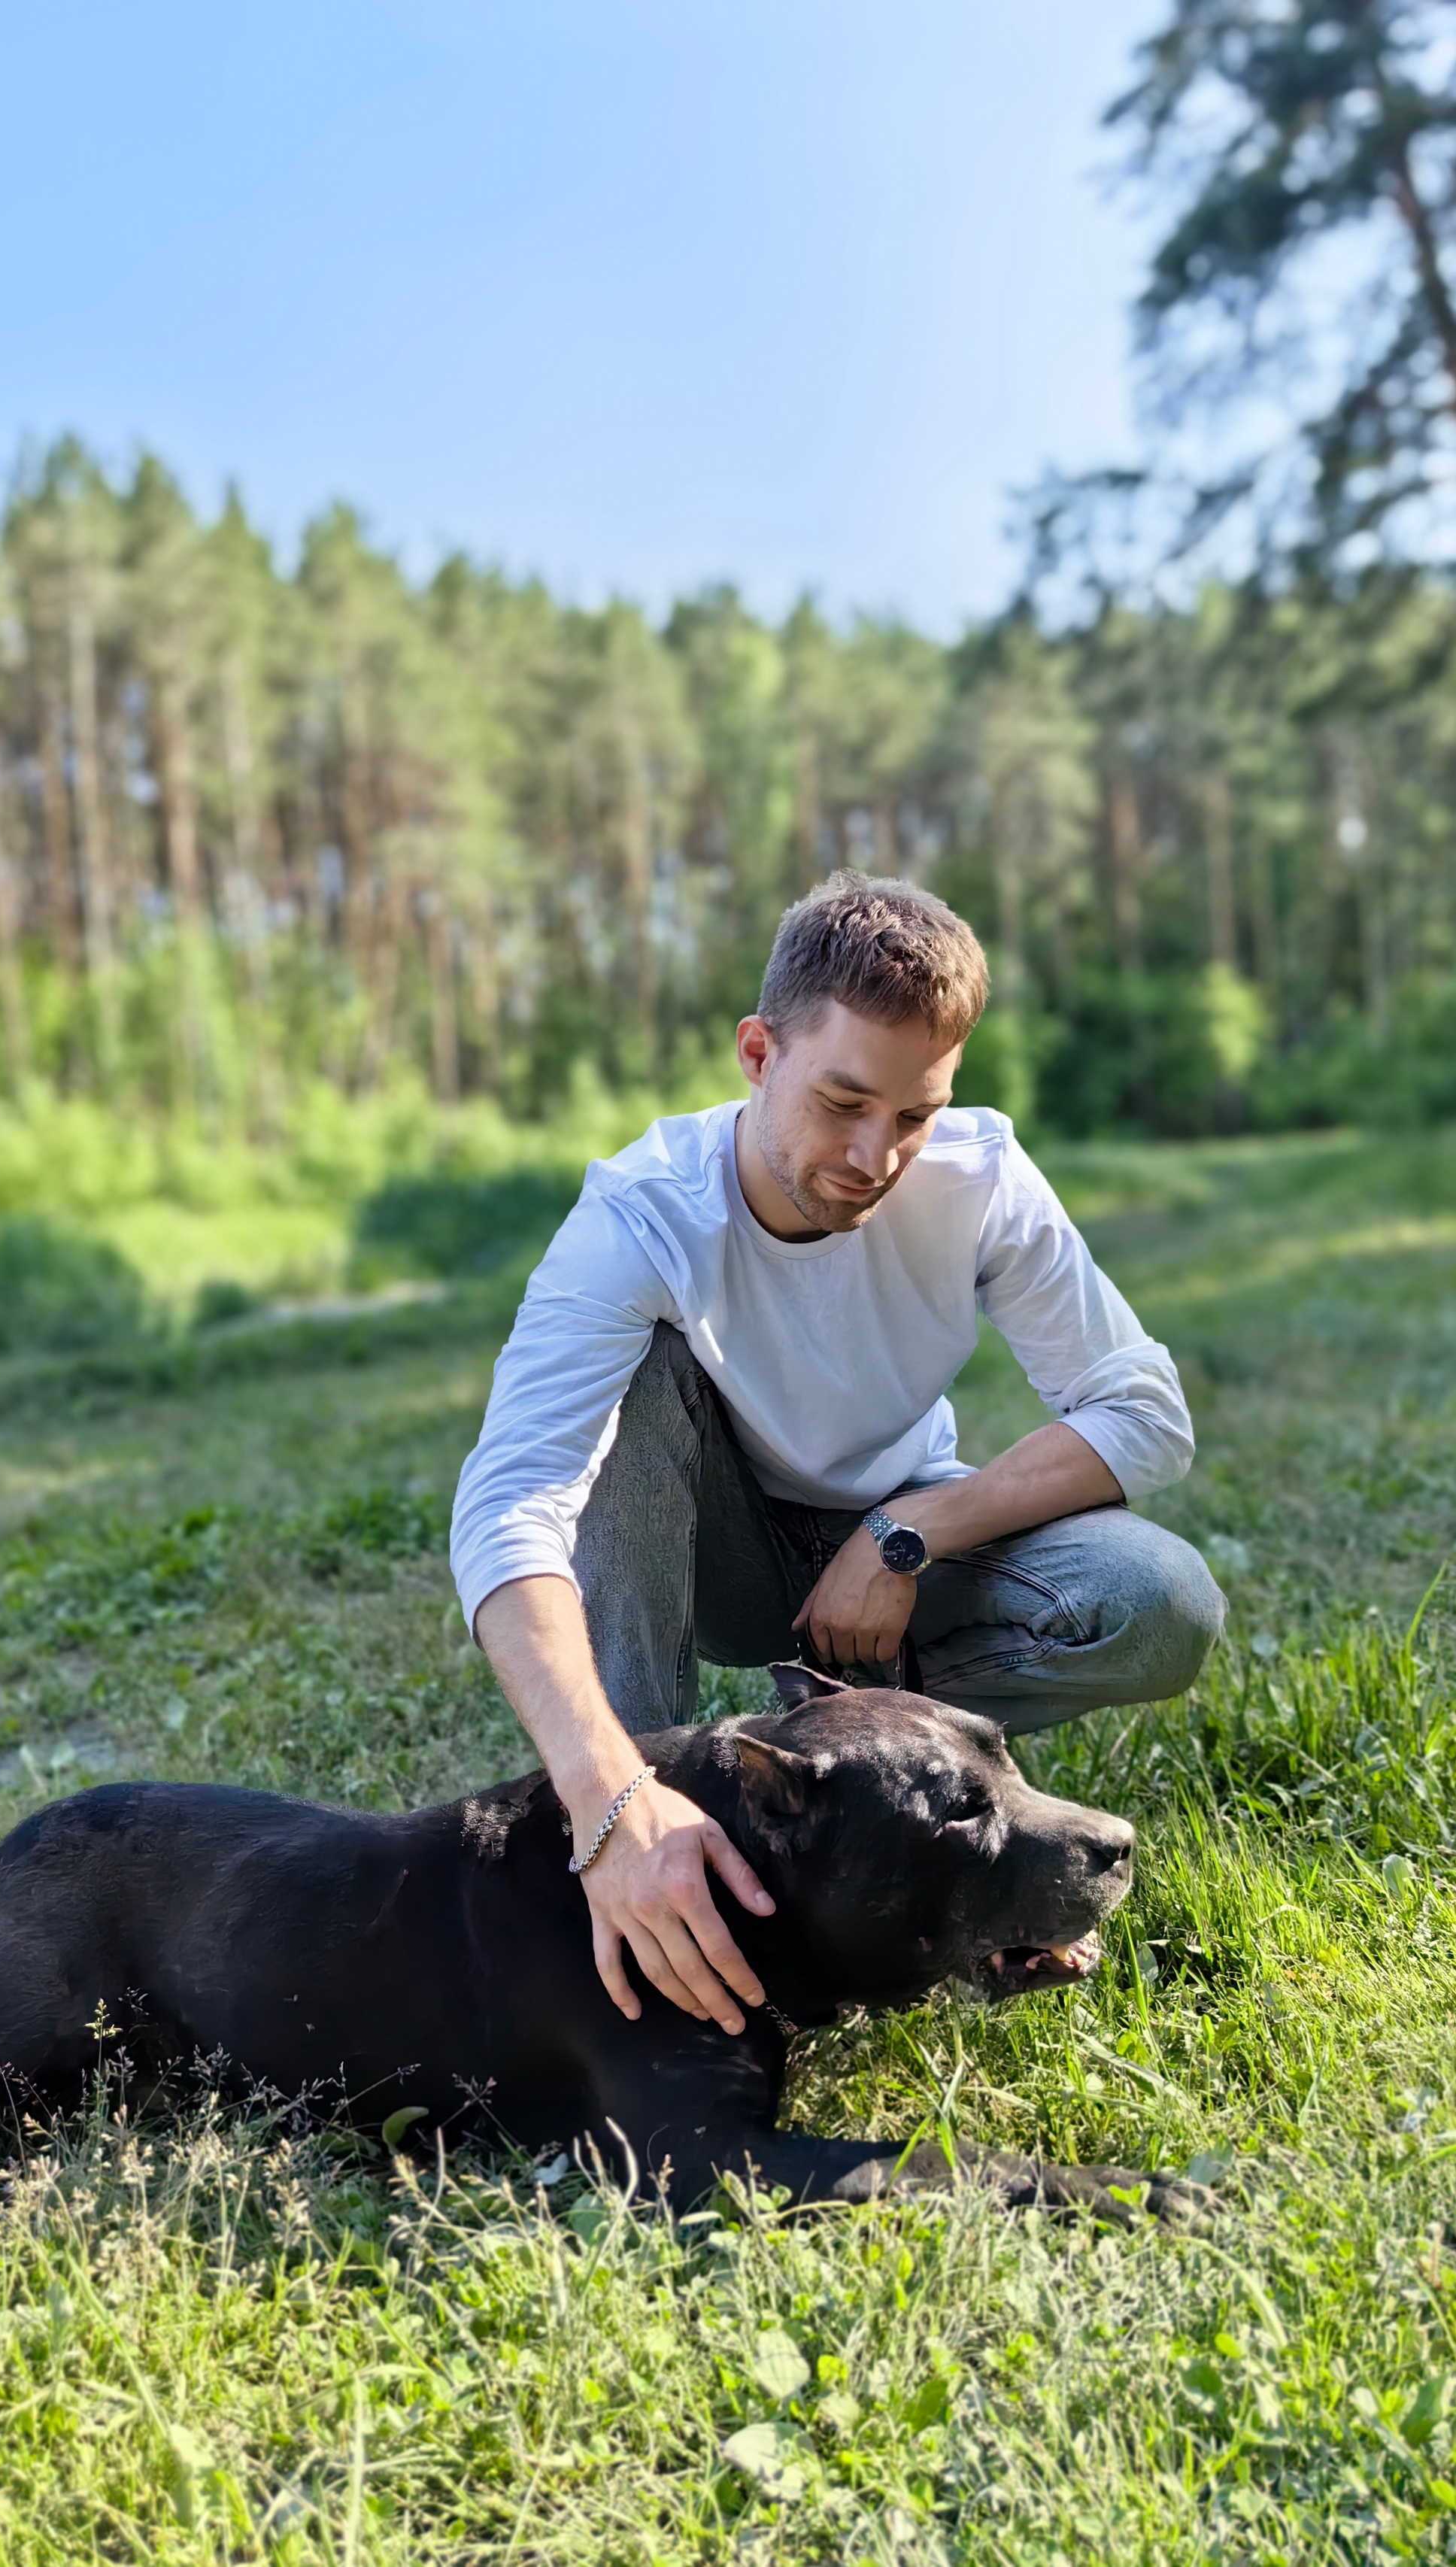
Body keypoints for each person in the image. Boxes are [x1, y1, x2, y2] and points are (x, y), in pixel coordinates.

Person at [450, 872, 1224, 2044]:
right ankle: (650, 1830)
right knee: (641, 1381)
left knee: (1159, 1601)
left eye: (913, 1115)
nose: (875, 1154)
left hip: (898, 1549)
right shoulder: (641, 1215)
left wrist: (909, 1533)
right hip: (719, 1552)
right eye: (843, 1101)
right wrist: (603, 1794)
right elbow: (510, 1503)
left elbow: (1143, 1410)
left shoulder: (979, 1180)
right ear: (759, 1053)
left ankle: (851, 1771)